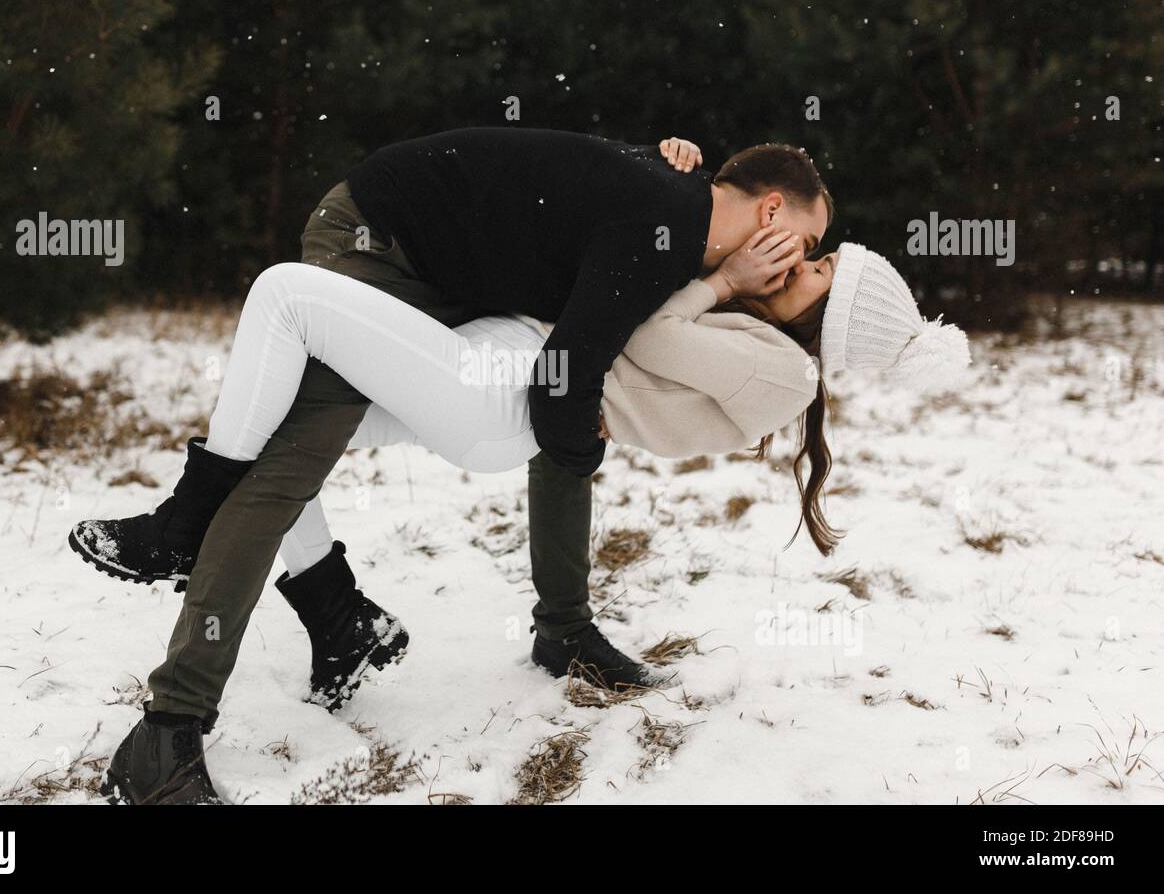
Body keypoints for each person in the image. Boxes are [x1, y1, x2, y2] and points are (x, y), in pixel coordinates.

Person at [71, 129, 846, 803]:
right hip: (380, 238)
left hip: (451, 288)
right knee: (284, 456)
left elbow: (583, 354)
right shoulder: (667, 224)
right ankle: (177, 716)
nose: (794, 264)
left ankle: (347, 616)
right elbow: (577, 370)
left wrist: (683, 203)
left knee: (287, 445)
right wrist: (587, 432)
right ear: (771, 210)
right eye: (804, 246)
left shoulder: (682, 235)